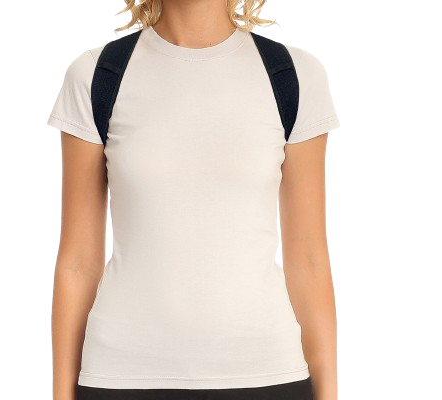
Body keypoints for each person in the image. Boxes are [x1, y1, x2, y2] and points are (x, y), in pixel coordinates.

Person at [48, 1, 340, 399]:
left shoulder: (293, 74)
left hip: (265, 372)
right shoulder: (97, 73)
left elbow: (308, 260)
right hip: (122, 374)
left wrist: (328, 392)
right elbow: (78, 262)